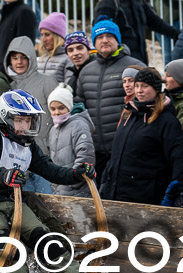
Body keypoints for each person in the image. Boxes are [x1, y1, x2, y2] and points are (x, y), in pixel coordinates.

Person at [0, 89, 97, 273]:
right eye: (19, 120)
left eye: (28, 121)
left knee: (41, 235)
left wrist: (76, 174)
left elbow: (50, 169)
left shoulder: (26, 143)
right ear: (6, 117)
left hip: (15, 201)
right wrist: (4, 175)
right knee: (4, 240)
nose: (25, 126)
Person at [100, 68, 183, 205]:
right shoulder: (128, 114)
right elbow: (116, 155)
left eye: (144, 86)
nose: (139, 91)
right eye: (137, 86)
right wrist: (105, 182)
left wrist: (175, 191)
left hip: (146, 195)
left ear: (156, 89)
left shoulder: (166, 120)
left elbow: (177, 157)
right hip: (116, 192)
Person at [76, 19, 144, 181]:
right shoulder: (86, 71)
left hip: (125, 148)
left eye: (109, 36)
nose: (104, 40)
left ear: (117, 40)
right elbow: (79, 105)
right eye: (99, 37)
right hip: (95, 150)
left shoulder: (135, 67)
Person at [3, 36, 57, 155]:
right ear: (9, 60)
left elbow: (59, 116)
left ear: (31, 59)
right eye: (15, 58)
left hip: (47, 152)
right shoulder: (9, 88)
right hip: (19, 154)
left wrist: (50, 144)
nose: (19, 62)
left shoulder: (47, 82)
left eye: (23, 58)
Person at [94, 0, 179, 65]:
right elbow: (101, 33)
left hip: (140, 58)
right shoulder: (107, 4)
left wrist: (179, 35)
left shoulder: (139, 2)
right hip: (119, 60)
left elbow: (155, 22)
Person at [47, 84, 95, 197]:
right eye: (53, 109)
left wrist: (73, 179)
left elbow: (85, 156)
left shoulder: (79, 125)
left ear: (69, 107)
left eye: (61, 108)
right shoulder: (53, 129)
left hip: (77, 189)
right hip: (59, 188)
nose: (57, 112)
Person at [0, 0, 36, 73]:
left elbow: (24, 49)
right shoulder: (4, 13)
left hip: (13, 76)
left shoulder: (24, 12)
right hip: (2, 72)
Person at [36, 12, 68, 83]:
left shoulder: (67, 60)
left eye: (47, 35)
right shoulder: (40, 59)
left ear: (58, 37)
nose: (43, 39)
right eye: (42, 35)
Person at [163, 58, 183, 125]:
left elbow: (178, 129)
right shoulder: (166, 97)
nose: (164, 79)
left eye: (168, 76)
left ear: (180, 79)